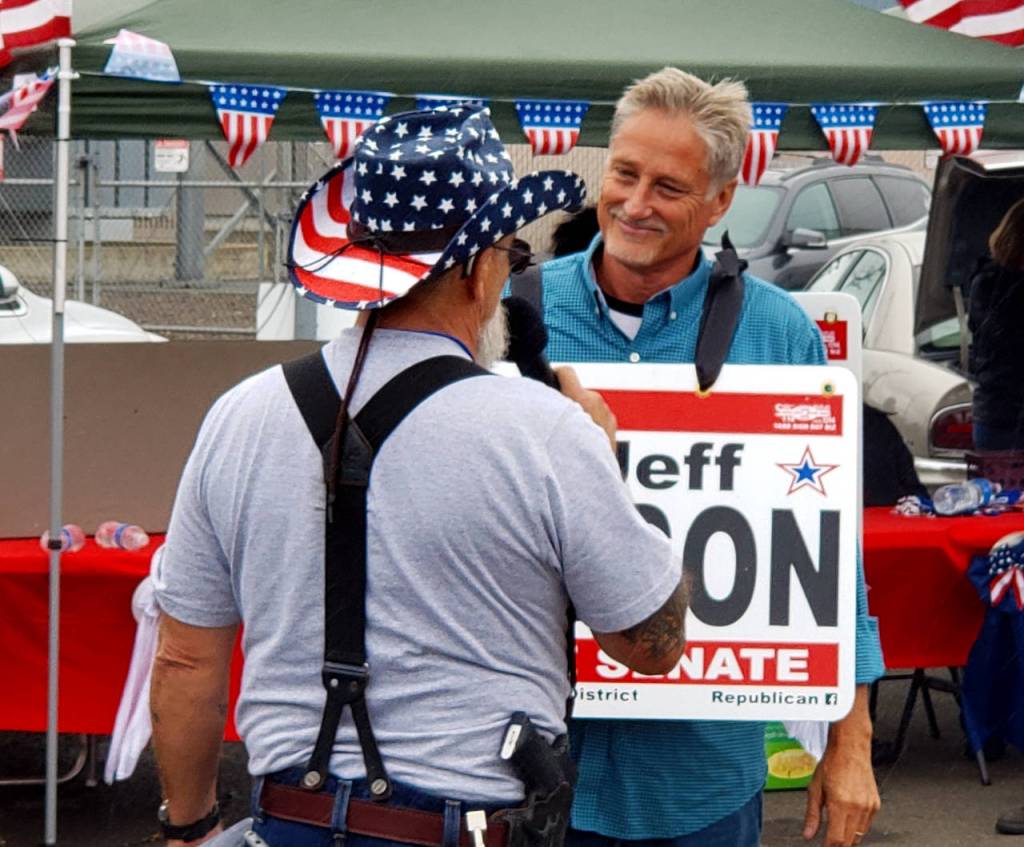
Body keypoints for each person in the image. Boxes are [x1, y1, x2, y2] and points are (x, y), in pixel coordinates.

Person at [149, 105, 688, 847]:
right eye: (510, 254)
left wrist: (191, 823)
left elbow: (185, 658)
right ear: (475, 269)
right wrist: (604, 457)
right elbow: (651, 644)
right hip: (461, 826)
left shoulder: (238, 417)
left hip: (285, 821)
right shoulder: (546, 429)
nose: (508, 275)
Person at [533, 68, 885, 847]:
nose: (634, 203)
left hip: (702, 781)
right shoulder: (516, 313)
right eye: (624, 173)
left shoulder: (779, 333)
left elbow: (831, 556)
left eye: (668, 186)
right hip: (530, 768)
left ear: (721, 199)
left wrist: (850, 738)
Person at [969, 196, 1024, 453]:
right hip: (1007, 417)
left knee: (1000, 490)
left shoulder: (984, 282)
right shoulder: (1000, 286)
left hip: (992, 414)